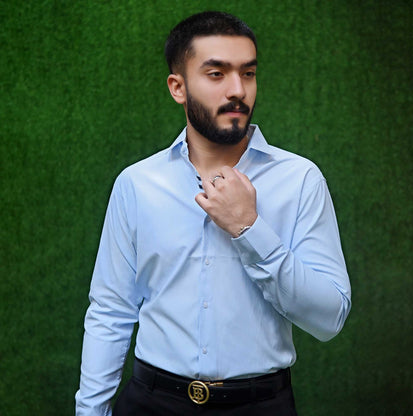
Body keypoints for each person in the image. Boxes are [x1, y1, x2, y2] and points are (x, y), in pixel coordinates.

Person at [75, 11, 351, 416]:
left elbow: (329, 318)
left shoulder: (300, 180)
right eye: (217, 74)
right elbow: (110, 311)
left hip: (260, 407)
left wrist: (249, 229)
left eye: (248, 73)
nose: (238, 90)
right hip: (151, 403)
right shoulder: (137, 184)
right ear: (178, 87)